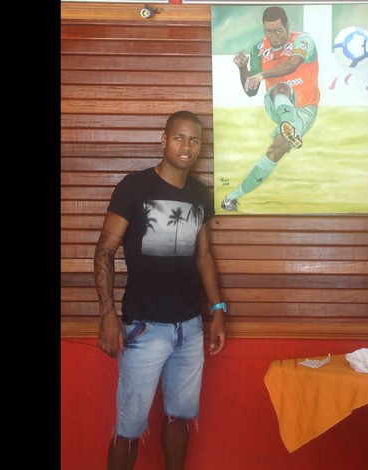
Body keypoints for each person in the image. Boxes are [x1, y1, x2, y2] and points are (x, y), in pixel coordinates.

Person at [94, 110, 227, 470]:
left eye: (195, 140)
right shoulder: (134, 187)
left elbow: (203, 255)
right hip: (144, 328)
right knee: (128, 430)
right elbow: (105, 250)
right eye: (179, 137)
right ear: (164, 140)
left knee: (180, 418)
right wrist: (107, 314)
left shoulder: (199, 193)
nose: (187, 146)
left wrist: (218, 310)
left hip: (190, 328)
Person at [220, 6, 320, 212]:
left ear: (287, 26)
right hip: (277, 102)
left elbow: (292, 65)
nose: (273, 37)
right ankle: (288, 125)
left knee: (274, 151)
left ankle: (233, 197)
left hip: (305, 109)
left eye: (278, 31)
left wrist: (261, 75)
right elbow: (251, 90)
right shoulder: (259, 49)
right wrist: (243, 69)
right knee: (281, 87)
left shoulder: (303, 40)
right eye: (268, 31)